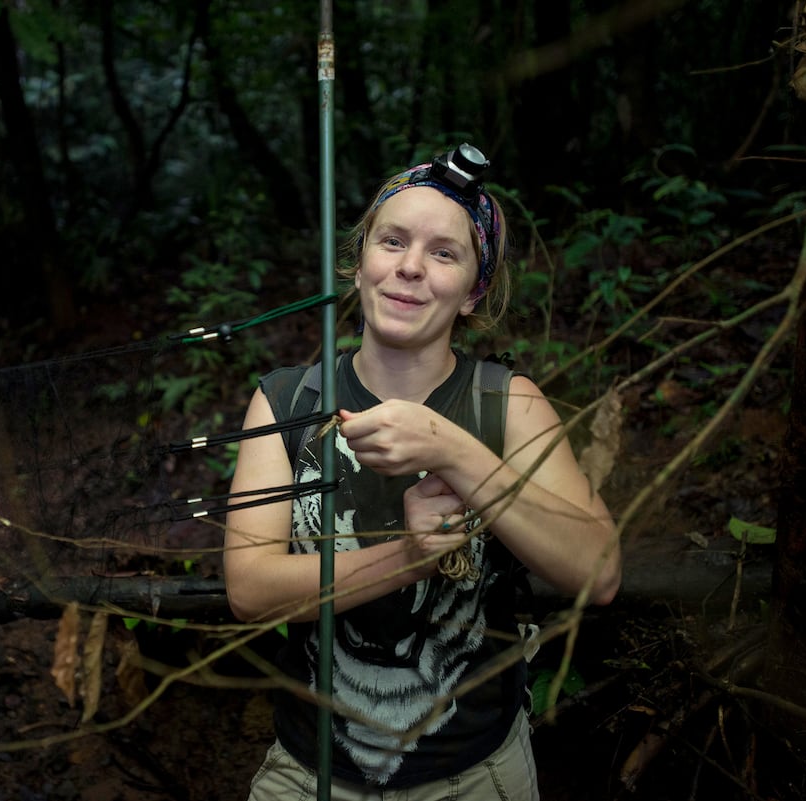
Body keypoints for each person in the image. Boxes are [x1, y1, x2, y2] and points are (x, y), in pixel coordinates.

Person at [224, 145, 621, 800]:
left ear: (475, 291)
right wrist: (408, 559)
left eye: (444, 253)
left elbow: (599, 569)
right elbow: (249, 586)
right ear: (358, 265)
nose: (409, 267)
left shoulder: (506, 402)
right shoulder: (287, 401)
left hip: (475, 773)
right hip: (310, 773)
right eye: (393, 241)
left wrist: (452, 449)